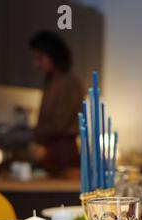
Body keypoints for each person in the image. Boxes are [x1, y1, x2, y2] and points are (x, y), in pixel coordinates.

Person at [29, 31, 84, 178]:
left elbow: (58, 124)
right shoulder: (50, 83)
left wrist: (31, 134)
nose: (36, 64)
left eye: (39, 58)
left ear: (53, 55)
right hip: (52, 154)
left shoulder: (70, 83)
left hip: (64, 155)